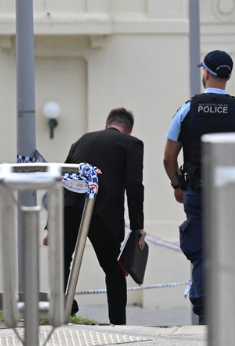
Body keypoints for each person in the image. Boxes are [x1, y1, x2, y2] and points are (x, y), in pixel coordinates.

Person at [163, 50, 235, 324]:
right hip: (231, 193)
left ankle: (205, 308)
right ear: (228, 76)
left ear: (206, 73)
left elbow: (168, 156)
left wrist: (177, 185)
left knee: (201, 249)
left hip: (197, 190)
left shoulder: (187, 109)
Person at [56, 107, 145, 325]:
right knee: (114, 270)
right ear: (128, 131)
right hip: (103, 212)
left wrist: (51, 226)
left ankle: (64, 310)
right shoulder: (131, 144)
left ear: (107, 125)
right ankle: (118, 324)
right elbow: (134, 185)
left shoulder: (81, 140)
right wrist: (137, 227)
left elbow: (63, 178)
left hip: (70, 207)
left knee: (62, 263)